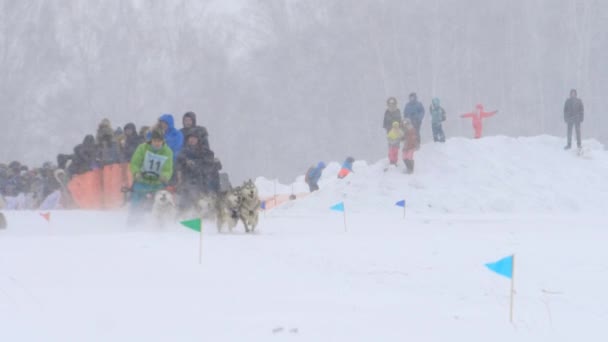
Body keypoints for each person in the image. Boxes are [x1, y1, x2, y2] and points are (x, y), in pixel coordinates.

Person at [128, 129, 173, 221]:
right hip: (142, 181)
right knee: (136, 200)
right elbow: (135, 163)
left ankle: (161, 222)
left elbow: (168, 168)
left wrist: (164, 176)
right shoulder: (142, 148)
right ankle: (133, 221)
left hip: (157, 184)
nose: (157, 143)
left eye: (159, 141)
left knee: (161, 202)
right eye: (155, 140)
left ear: (163, 141)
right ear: (151, 140)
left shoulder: (168, 152)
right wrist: (136, 172)